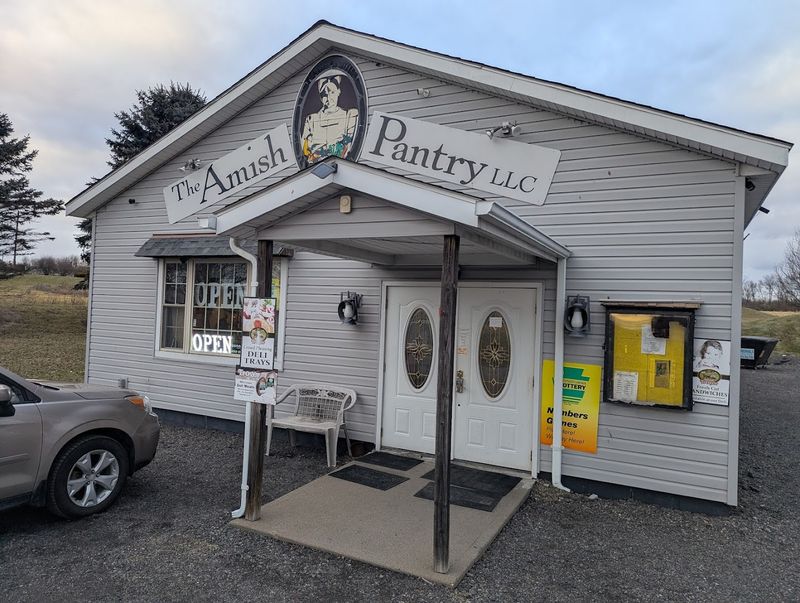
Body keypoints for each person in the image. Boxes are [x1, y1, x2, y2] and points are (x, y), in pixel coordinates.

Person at [301, 70, 359, 164]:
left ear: (338, 92)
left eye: (332, 92)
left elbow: (348, 145)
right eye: (324, 95)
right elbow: (306, 149)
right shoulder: (311, 120)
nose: (329, 99)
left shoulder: (349, 115)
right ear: (320, 97)